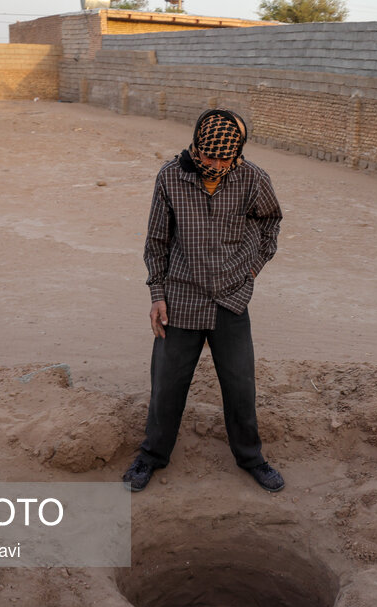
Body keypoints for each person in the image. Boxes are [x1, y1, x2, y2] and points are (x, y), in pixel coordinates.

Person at [122, 108, 285, 493]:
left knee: (241, 385)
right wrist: (156, 295)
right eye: (205, 155)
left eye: (221, 158)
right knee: (167, 384)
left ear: (237, 154)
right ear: (195, 145)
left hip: (232, 298)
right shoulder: (170, 177)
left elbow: (271, 222)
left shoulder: (253, 179)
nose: (212, 164)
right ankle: (151, 456)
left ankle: (251, 458)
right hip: (181, 298)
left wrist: (253, 267)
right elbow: (156, 242)